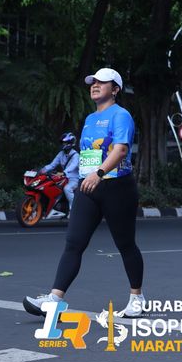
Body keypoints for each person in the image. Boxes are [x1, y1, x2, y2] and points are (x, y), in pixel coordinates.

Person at [23, 67, 145, 318]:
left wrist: (98, 173)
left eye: (102, 82)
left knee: (125, 244)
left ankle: (137, 298)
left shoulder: (121, 115)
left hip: (116, 187)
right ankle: (54, 300)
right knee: (74, 243)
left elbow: (120, 150)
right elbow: (89, 153)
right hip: (88, 187)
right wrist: (83, 177)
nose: (95, 85)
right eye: (93, 82)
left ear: (115, 89)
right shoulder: (89, 120)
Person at [40, 132, 79, 210]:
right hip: (63, 178)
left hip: (74, 179)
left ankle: (73, 210)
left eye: (65, 143)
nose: (63, 144)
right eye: (63, 142)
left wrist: (64, 172)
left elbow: (72, 166)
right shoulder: (61, 154)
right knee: (50, 186)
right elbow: (52, 165)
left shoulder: (76, 155)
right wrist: (42, 170)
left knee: (67, 189)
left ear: (70, 143)